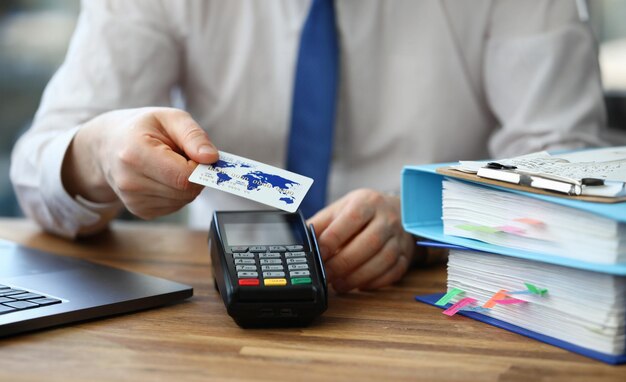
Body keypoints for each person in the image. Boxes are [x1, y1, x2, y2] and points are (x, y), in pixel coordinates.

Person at [10, 0, 607, 293]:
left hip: (441, 305)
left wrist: (425, 220)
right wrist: (99, 154)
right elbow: (37, 166)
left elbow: (568, 172)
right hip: (215, 308)